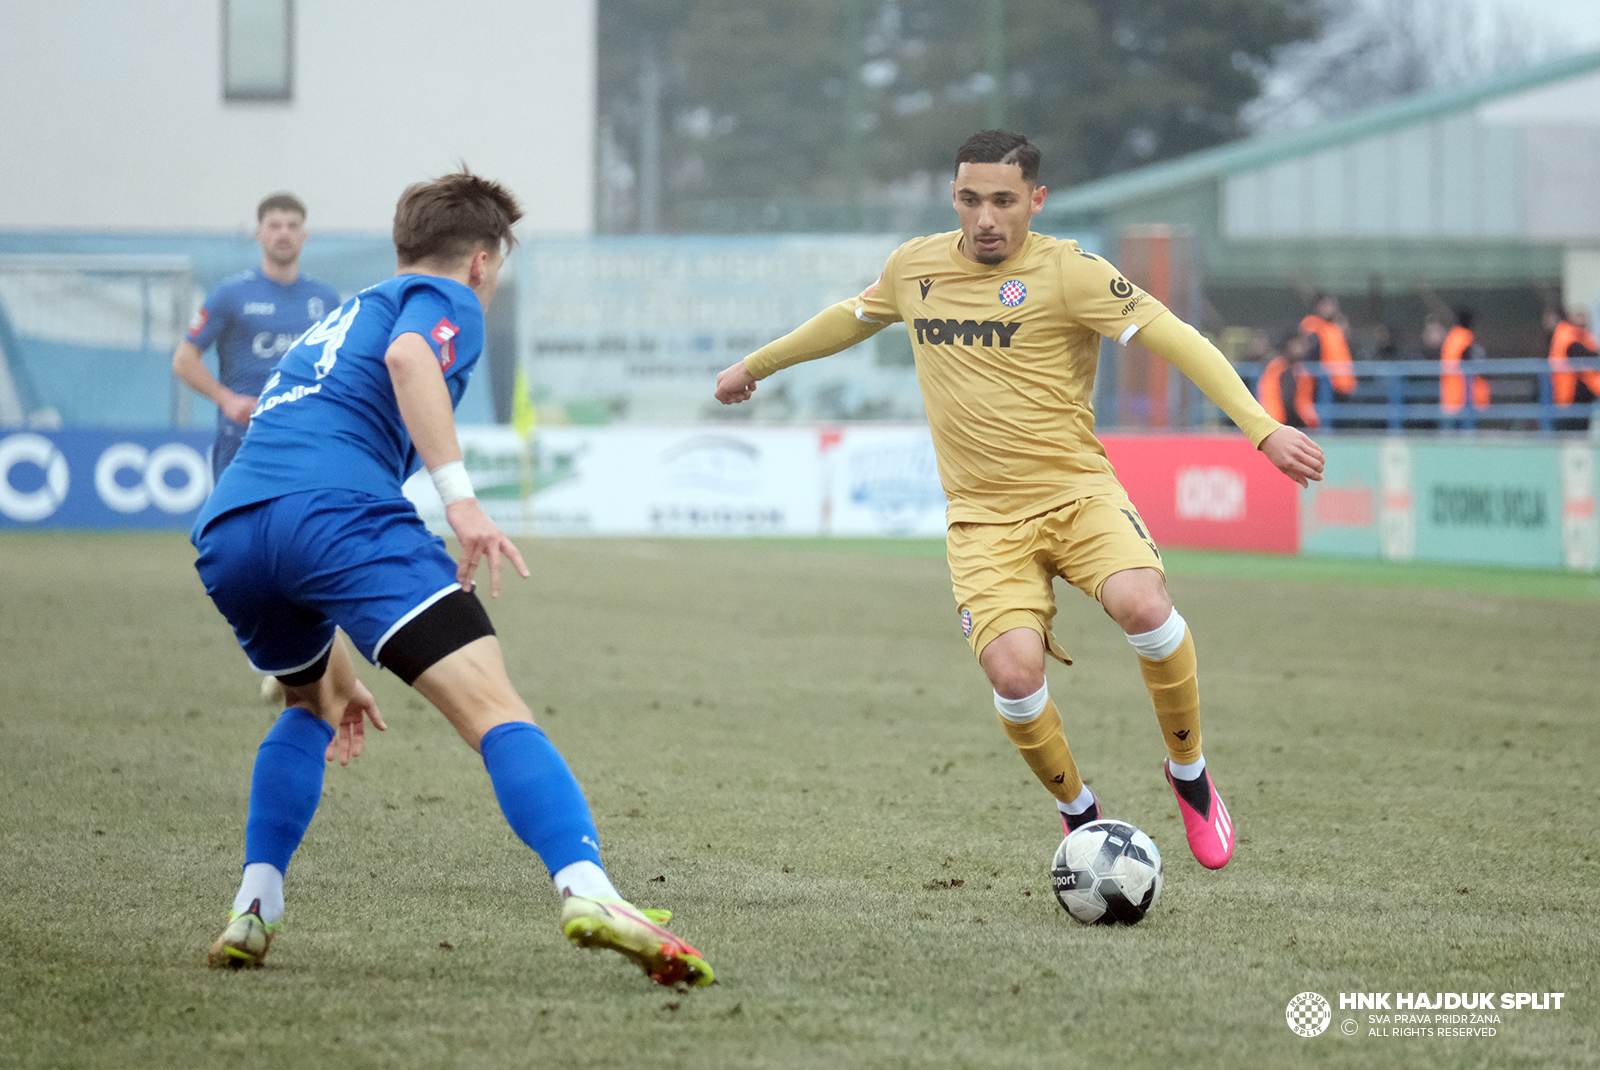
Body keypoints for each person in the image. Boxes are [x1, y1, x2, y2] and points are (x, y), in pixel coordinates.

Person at [713, 131, 1324, 871]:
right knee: (1012, 673)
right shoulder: (916, 267)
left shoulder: (1072, 273)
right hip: (981, 522)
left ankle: (1190, 777)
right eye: (971, 200)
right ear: (954, 198)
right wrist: (756, 365)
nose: (986, 218)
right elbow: (850, 316)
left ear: (1037, 200)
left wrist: (1259, 428)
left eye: (1004, 201)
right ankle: (1080, 818)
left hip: (1077, 496)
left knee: (1144, 606)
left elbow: (1178, 339)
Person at [192, 171, 711, 986]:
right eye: (496, 267)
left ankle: (253, 909)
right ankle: (590, 890)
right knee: (495, 709)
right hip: (337, 515)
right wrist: (462, 504)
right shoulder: (447, 302)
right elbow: (409, 360)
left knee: (316, 700)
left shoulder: (345, 310)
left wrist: (338, 654)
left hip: (232, 530)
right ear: (480, 261)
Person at [172, 193, 342, 480]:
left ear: (304, 235)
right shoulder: (231, 294)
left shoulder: (324, 298)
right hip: (243, 437)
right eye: (274, 225)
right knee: (235, 524)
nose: (283, 233)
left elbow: (340, 365)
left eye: (291, 225)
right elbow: (184, 360)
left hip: (305, 436)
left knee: (301, 523)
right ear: (259, 234)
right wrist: (226, 399)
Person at [1255, 330, 1320, 430]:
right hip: (1278, 424)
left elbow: (1305, 401)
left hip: (1299, 423)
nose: (1299, 348)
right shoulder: (1275, 368)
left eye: (1302, 344)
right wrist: (1273, 424)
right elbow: (1269, 397)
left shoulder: (1303, 371)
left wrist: (1310, 420)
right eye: (1296, 344)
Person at [1300, 294, 1356, 397]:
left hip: (1342, 381)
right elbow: (1311, 353)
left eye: (1331, 305)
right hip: (1324, 381)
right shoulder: (1313, 325)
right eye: (1325, 305)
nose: (1329, 308)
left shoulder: (1335, 328)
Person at [1439, 308, 1489, 419]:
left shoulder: (1451, 337)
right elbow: (1472, 362)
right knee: (1466, 430)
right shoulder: (1464, 337)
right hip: (1464, 396)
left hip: (1451, 394)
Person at [1546, 308, 1599, 411]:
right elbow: (1583, 354)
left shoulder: (1582, 336)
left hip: (1577, 393)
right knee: (1570, 424)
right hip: (1568, 394)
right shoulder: (1567, 335)